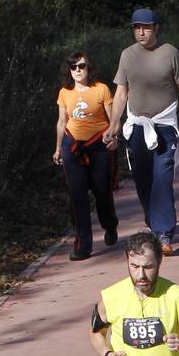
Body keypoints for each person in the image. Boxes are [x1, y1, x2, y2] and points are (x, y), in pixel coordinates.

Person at [103, 8, 179, 256]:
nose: (141, 32)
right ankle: (153, 220)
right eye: (136, 27)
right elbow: (121, 93)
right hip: (137, 128)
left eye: (146, 27)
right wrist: (113, 127)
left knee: (163, 180)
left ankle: (164, 234)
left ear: (156, 28)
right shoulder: (127, 56)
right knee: (143, 181)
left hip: (165, 127)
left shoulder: (171, 54)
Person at [54, 51, 120, 262]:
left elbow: (113, 119)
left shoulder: (101, 89)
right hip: (72, 146)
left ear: (89, 68)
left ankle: (110, 226)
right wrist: (57, 149)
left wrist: (114, 137)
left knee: (102, 192)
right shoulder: (65, 92)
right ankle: (83, 245)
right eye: (73, 67)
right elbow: (61, 122)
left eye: (82, 66)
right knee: (77, 197)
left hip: (98, 146)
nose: (77, 71)